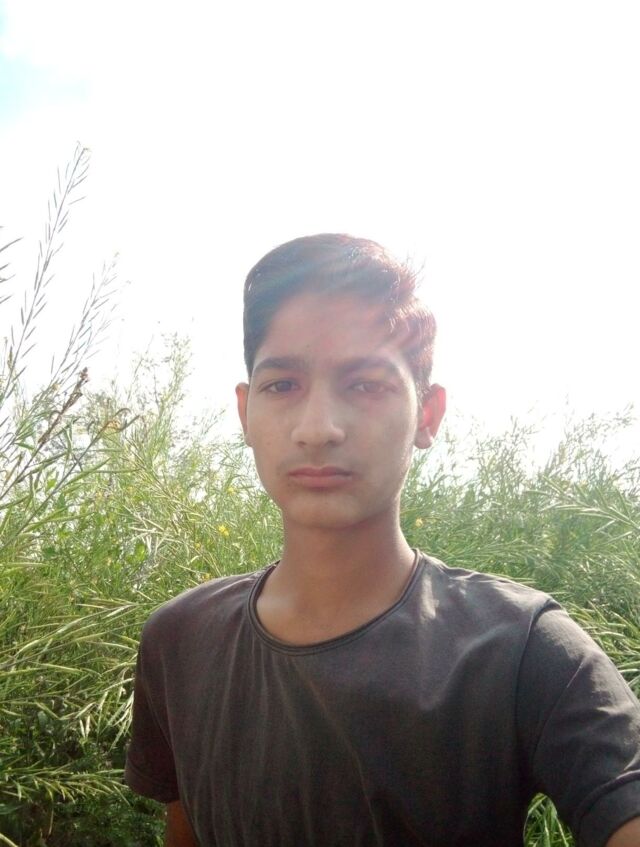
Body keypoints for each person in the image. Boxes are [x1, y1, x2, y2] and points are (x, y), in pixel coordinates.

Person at [125, 234, 640, 846]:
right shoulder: (180, 641)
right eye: (282, 385)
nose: (318, 429)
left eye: (366, 384)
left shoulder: (522, 649)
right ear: (244, 412)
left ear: (427, 414)